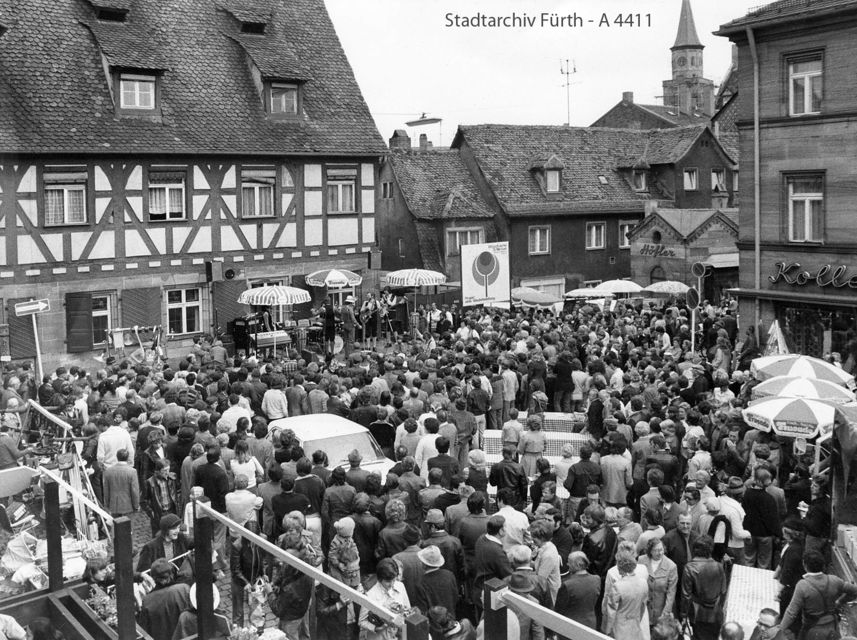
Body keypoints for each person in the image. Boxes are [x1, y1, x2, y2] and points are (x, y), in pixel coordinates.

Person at [780, 550, 857, 640]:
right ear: (823, 566)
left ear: (805, 566)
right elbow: (854, 591)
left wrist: (780, 629)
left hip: (813, 631)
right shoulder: (834, 580)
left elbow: (791, 613)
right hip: (833, 628)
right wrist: (840, 601)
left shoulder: (803, 585)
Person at [681, 535, 728, 640]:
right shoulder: (719, 566)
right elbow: (723, 591)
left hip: (697, 614)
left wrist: (683, 615)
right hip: (716, 613)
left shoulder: (689, 568)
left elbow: (686, 596)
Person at [138, 558, 191, 640]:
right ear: (172, 574)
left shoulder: (147, 600)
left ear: (153, 578)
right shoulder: (184, 589)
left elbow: (144, 631)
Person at [359, 558, 411, 640]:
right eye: (388, 581)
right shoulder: (370, 596)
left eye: (394, 580)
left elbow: (408, 609)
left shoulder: (400, 586)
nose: (392, 584)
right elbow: (362, 621)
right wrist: (376, 628)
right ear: (380, 579)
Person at [602, 553, 649, 640]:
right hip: (636, 626)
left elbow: (611, 612)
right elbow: (643, 606)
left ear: (620, 567)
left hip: (619, 628)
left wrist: (607, 631)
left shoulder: (617, 586)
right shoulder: (643, 583)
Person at [555, 551, 601, 635]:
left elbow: (558, 610)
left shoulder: (567, 585)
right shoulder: (597, 580)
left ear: (577, 565)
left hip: (570, 628)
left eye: (569, 562)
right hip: (590, 626)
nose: (567, 564)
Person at [638, 537, 678, 627]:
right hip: (643, 610)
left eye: (661, 550)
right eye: (656, 550)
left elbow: (671, 593)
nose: (659, 553)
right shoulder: (641, 560)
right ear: (650, 551)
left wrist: (666, 613)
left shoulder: (671, 566)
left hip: (660, 612)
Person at [102, 447, 140, 518]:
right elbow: (134, 491)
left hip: (114, 504)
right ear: (127, 458)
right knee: (128, 524)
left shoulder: (108, 471)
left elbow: (106, 490)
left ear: (117, 457)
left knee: (116, 523)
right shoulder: (132, 472)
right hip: (128, 505)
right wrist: (136, 505)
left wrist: (106, 504)